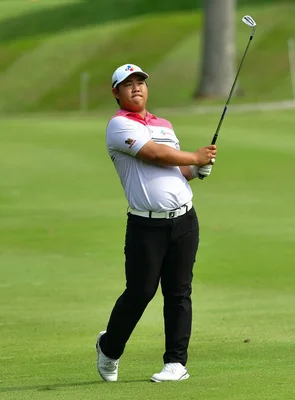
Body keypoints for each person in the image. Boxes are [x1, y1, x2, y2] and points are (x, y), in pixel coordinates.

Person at [96, 63, 217, 383]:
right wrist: (196, 157)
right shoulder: (119, 126)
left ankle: (176, 363)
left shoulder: (164, 124)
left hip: (184, 220)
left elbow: (175, 170)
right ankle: (109, 348)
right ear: (116, 93)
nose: (136, 87)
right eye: (128, 84)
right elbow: (155, 155)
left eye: (140, 82)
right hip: (145, 227)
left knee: (179, 292)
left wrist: (198, 170)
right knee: (140, 292)